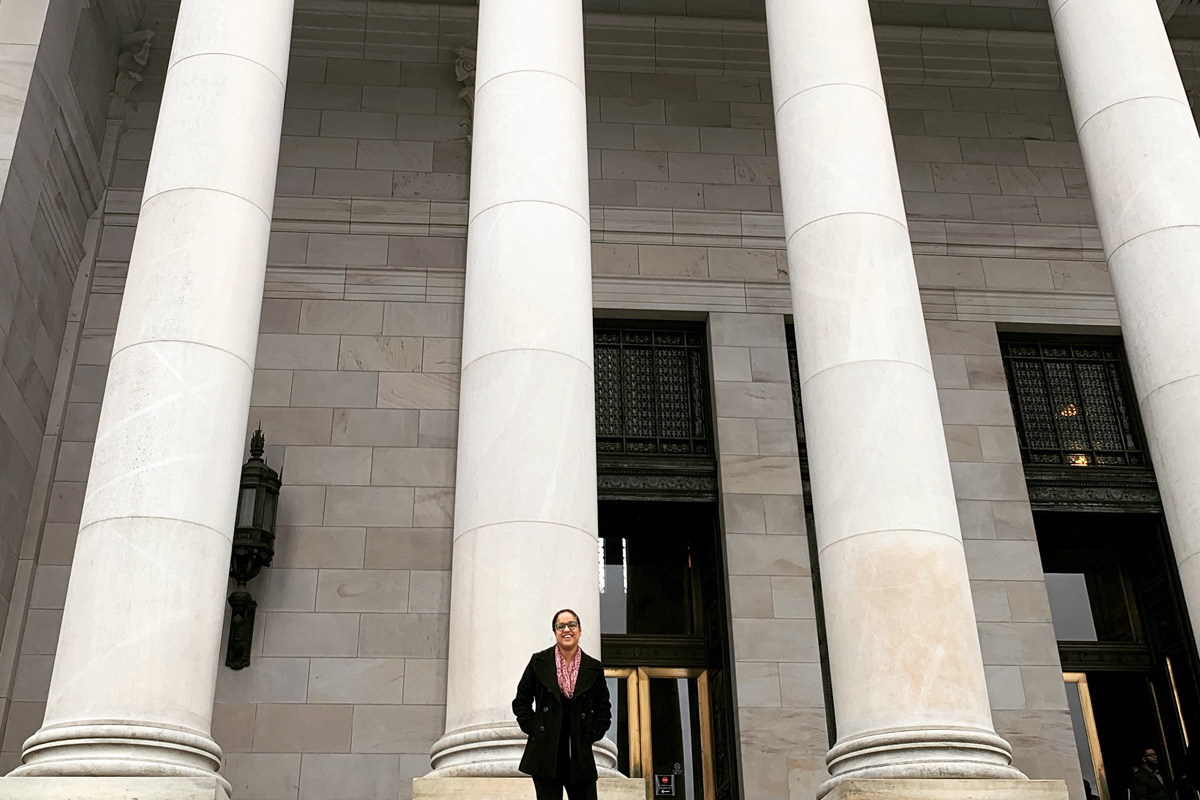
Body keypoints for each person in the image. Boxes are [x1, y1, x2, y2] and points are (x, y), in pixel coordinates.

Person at [513, 609, 612, 800]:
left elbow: (603, 709)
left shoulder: (593, 667)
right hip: (545, 753)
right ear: (555, 632)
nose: (567, 629)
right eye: (560, 626)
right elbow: (521, 701)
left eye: (572, 625)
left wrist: (590, 733)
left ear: (580, 631)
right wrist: (535, 729)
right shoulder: (539, 662)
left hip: (579, 754)